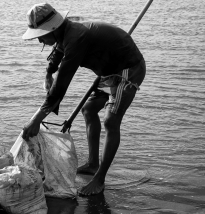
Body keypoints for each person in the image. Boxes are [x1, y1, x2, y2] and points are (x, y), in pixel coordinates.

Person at [21, 3, 146, 195]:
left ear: (53, 28)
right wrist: (48, 73)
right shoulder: (64, 33)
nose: (40, 41)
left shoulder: (77, 37)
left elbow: (62, 84)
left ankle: (99, 179)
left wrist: (36, 119)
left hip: (128, 68)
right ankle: (93, 164)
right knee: (88, 110)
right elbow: (57, 52)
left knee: (111, 120)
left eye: (41, 36)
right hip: (107, 70)